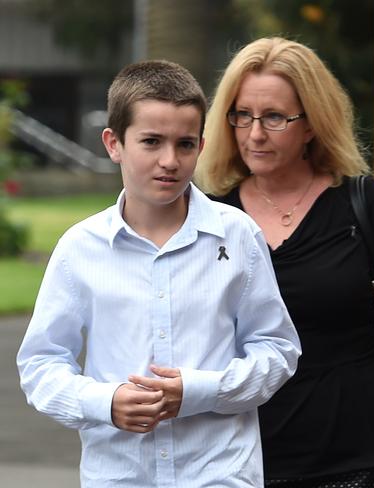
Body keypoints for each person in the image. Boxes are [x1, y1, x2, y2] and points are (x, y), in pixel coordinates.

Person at [16, 59, 301, 487]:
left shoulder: (237, 235)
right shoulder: (80, 248)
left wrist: (201, 391)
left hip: (219, 473)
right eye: (151, 141)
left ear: (201, 146)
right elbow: (41, 364)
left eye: (185, 144)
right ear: (114, 144)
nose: (170, 160)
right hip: (120, 475)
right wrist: (105, 401)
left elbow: (277, 350)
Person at [194, 37, 374, 487]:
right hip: (239, 458)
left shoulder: (363, 202)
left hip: (358, 453)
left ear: (312, 124)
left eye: (274, 117)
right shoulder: (211, 217)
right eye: (241, 115)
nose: (255, 133)